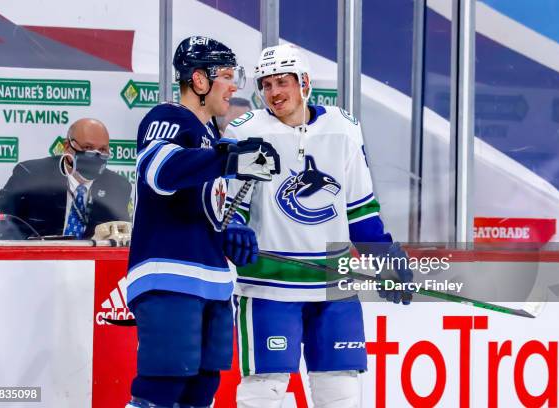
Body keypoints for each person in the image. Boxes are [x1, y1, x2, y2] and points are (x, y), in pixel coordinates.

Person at [224, 44, 413, 408]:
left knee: (340, 391)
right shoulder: (245, 132)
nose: (274, 93)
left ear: (304, 82)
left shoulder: (343, 128)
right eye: (266, 85)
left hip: (333, 286)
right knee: (264, 389)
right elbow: (232, 209)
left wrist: (385, 258)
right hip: (269, 285)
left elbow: (359, 208)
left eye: (282, 82)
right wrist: (232, 231)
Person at [125, 36, 280, 408]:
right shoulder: (168, 117)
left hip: (212, 283)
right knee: (162, 388)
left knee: (201, 390)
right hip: (170, 275)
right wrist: (229, 161)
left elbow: (201, 206)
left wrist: (229, 232)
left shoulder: (214, 137)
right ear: (198, 81)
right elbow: (159, 172)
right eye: (226, 76)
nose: (234, 86)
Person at [0, 118, 131, 239]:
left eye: (102, 150)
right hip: (35, 262)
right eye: (87, 147)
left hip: (91, 264)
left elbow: (123, 237)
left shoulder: (118, 186)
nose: (95, 155)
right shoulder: (30, 175)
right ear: (67, 147)